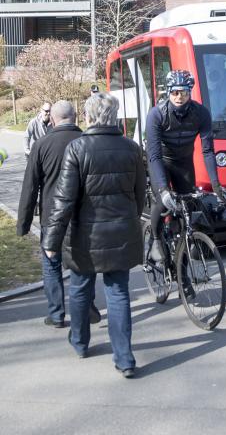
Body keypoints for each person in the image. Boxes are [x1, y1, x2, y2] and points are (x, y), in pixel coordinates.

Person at [42, 94, 146, 377]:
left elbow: (63, 200)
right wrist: (128, 220)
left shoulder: (77, 149)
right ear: (115, 116)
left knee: (79, 288)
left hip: (84, 236)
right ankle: (124, 358)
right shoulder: (131, 148)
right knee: (118, 293)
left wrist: (51, 242)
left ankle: (80, 342)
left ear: (88, 117)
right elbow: (139, 196)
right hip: (121, 231)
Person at [17, 100, 100, 328]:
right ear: (76, 117)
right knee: (83, 262)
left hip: (51, 216)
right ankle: (86, 306)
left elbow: (30, 187)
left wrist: (23, 224)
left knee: (51, 263)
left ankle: (56, 313)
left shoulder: (42, 144)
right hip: (83, 215)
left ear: (52, 119)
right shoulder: (88, 141)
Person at [145, 69, 224, 262]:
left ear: (190, 92)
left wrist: (216, 185)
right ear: (169, 92)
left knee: (187, 206)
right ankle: (155, 239)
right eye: (175, 92)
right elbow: (153, 155)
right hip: (161, 160)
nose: (179, 97)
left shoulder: (201, 113)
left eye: (184, 92)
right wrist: (163, 189)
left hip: (183, 161)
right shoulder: (157, 115)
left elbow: (207, 151)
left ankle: (182, 262)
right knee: (162, 201)